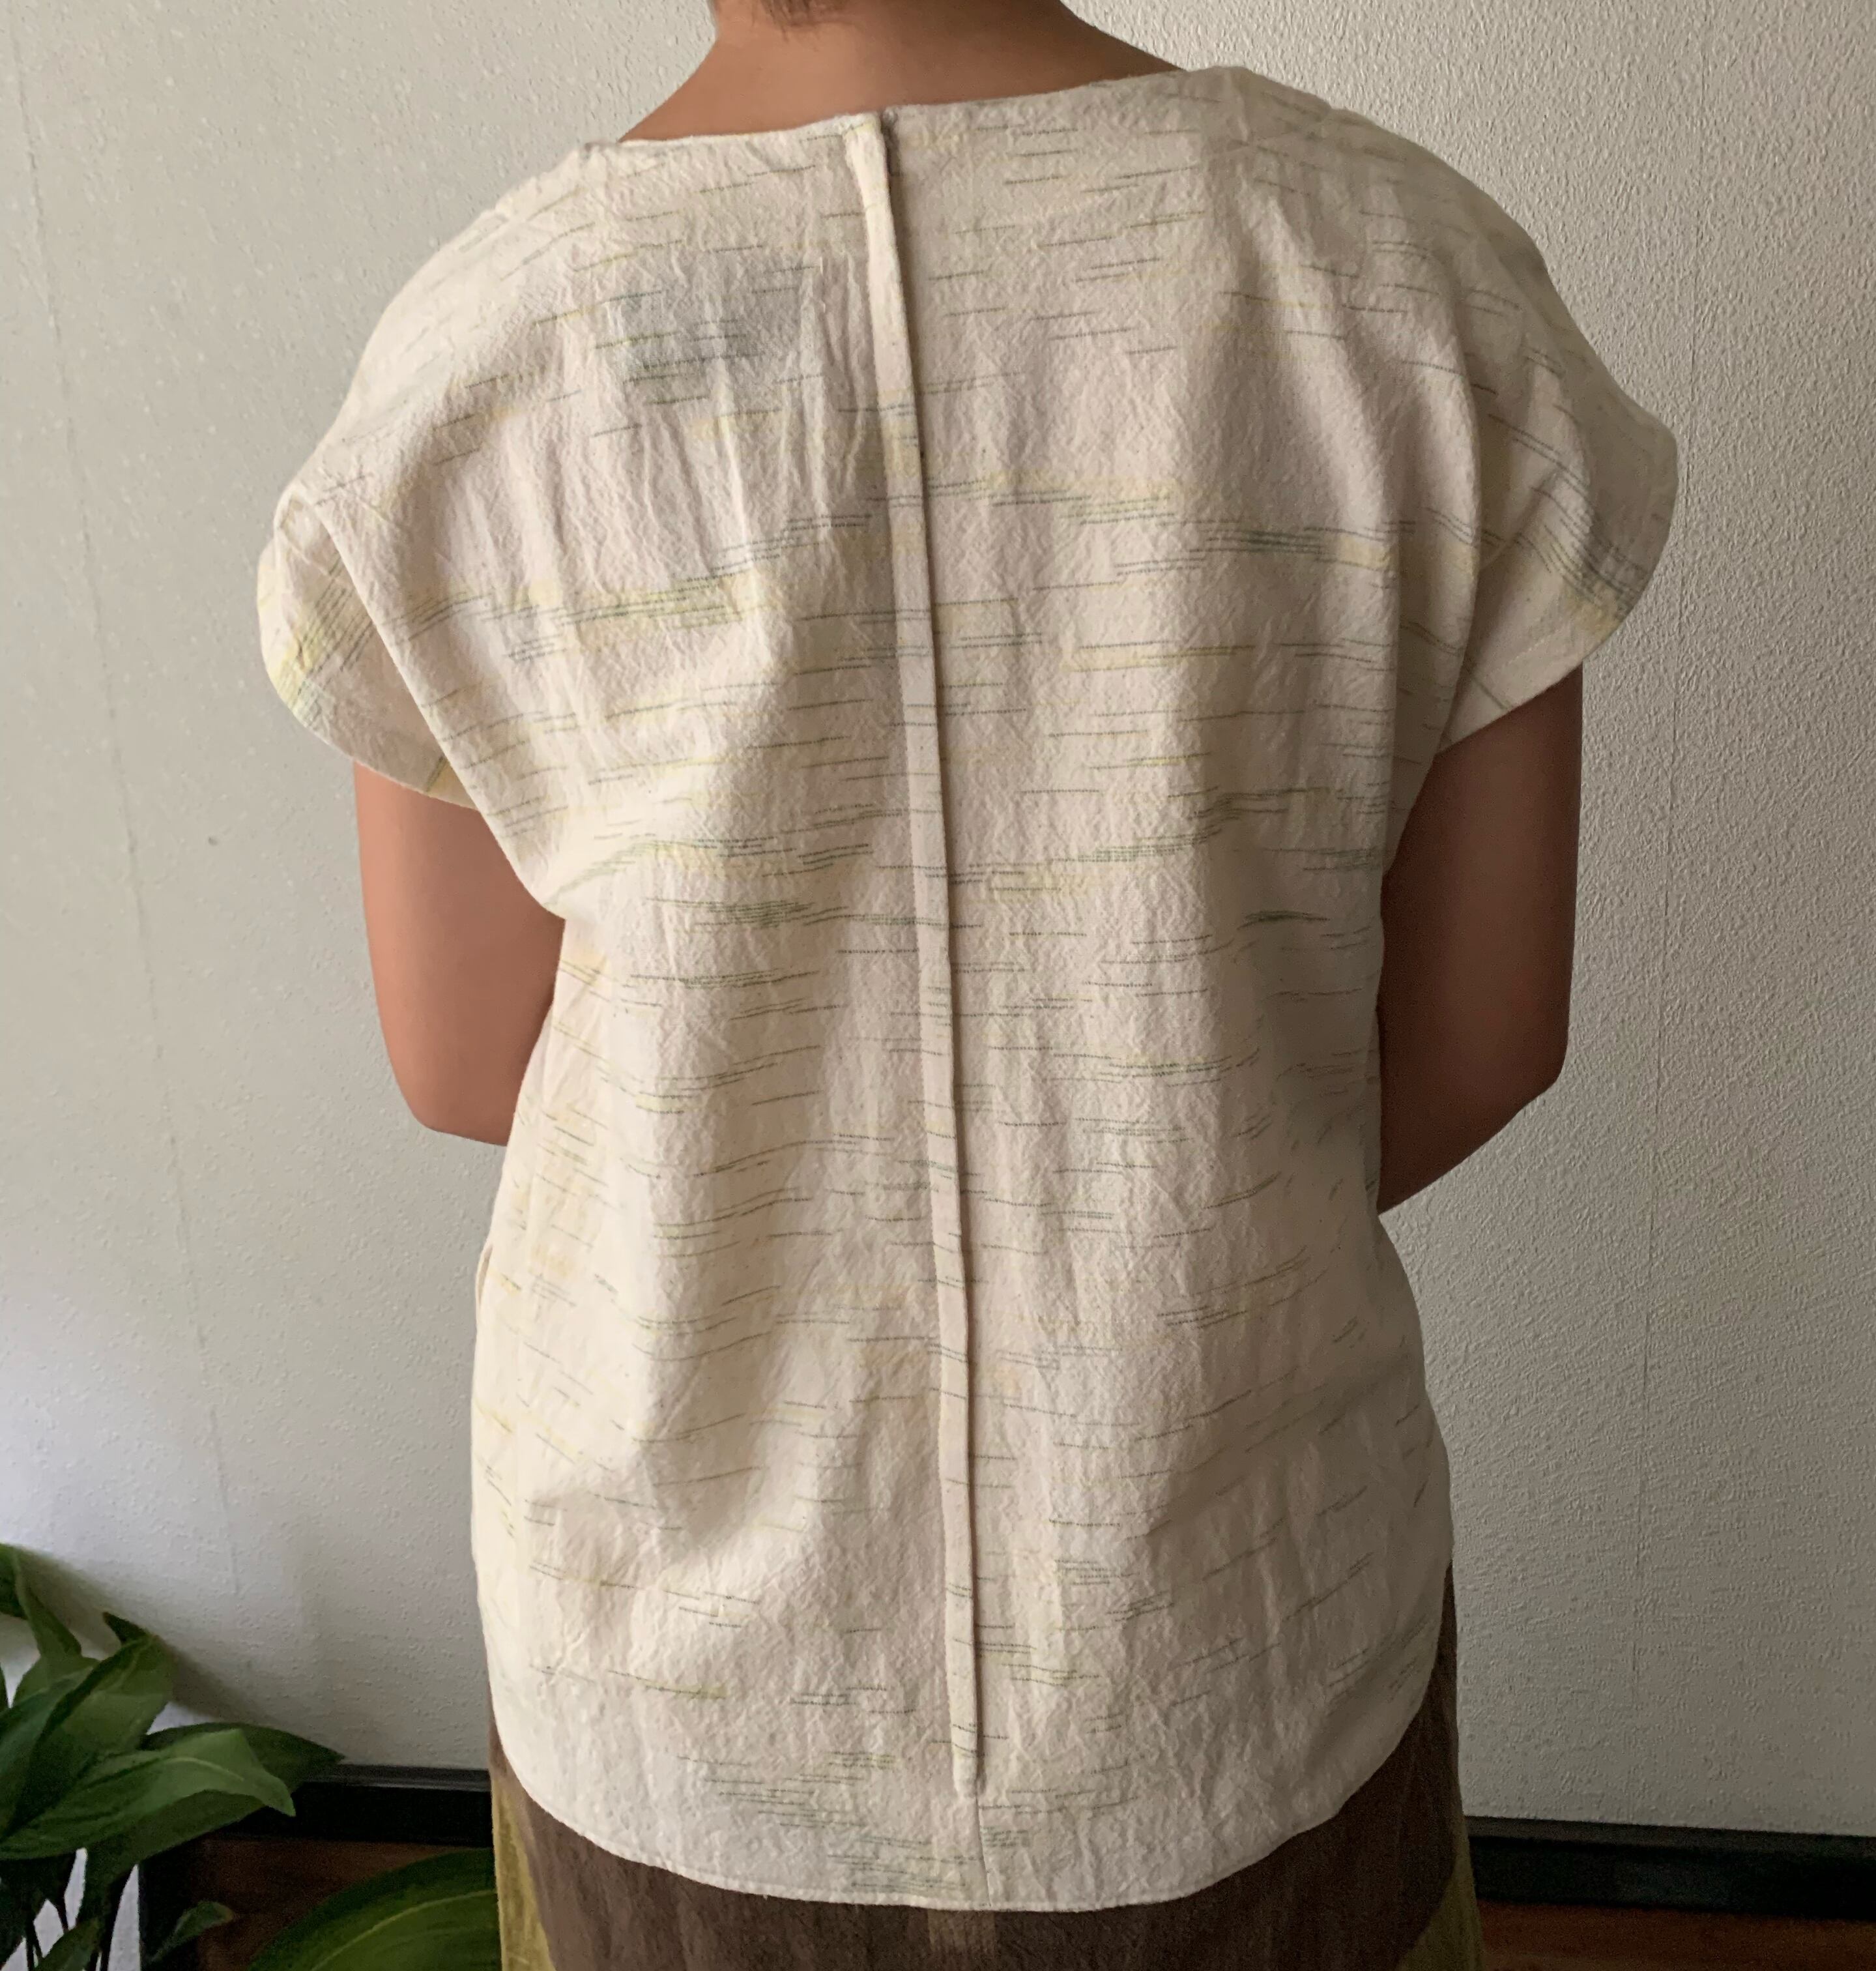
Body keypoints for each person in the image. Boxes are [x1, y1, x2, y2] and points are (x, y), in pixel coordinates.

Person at [254, 0, 1679, 1960]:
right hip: (1230, 1641)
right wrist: (1154, 1212)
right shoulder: (1396, 276)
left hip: (676, 1683)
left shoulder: (484, 351)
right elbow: (1483, 1036)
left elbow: (461, 1059)